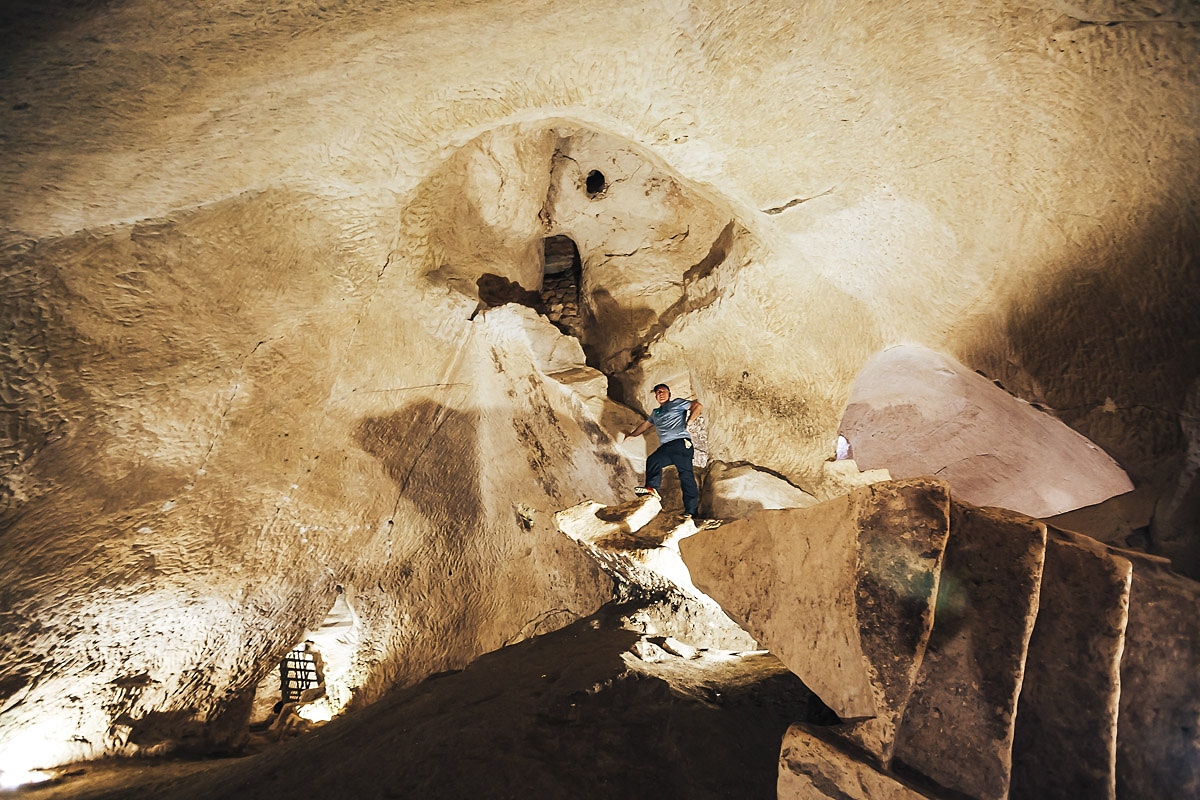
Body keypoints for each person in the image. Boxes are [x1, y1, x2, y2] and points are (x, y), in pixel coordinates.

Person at [624, 383, 702, 518]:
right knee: (654, 460)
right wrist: (632, 435)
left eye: (663, 391)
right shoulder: (656, 413)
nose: (660, 393)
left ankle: (691, 511)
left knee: (685, 475)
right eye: (658, 392)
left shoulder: (676, 403)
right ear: (655, 396)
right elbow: (645, 425)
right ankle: (652, 489)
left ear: (669, 394)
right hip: (666, 447)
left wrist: (689, 422)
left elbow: (697, 406)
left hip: (680, 443)